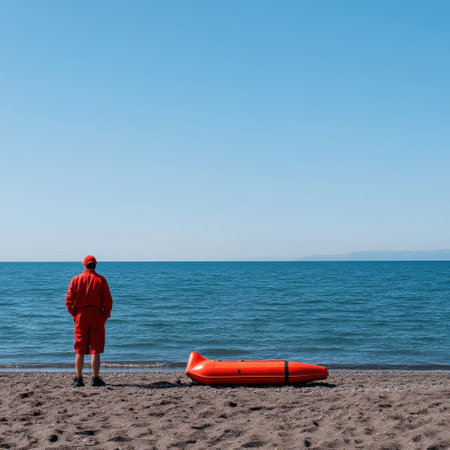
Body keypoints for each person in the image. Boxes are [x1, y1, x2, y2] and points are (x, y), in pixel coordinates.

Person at [65, 255, 113, 387]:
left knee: (79, 349)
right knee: (95, 349)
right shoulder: (101, 280)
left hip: (81, 315)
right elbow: (108, 301)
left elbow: (68, 301)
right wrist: (104, 316)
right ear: (95, 265)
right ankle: (95, 379)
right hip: (96, 315)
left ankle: (79, 379)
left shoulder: (75, 279)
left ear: (84, 265)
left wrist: (75, 314)